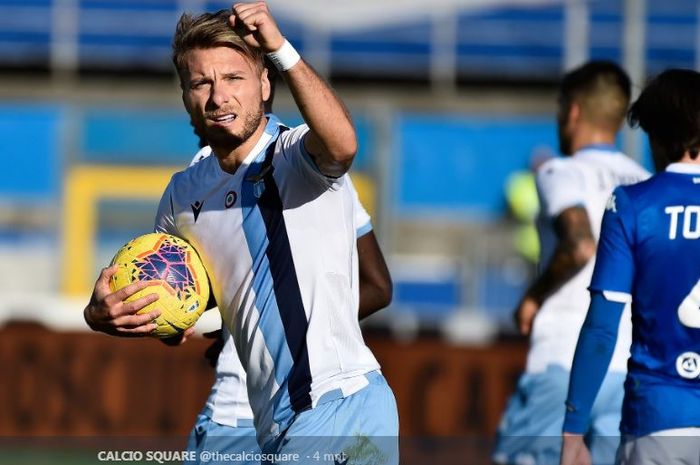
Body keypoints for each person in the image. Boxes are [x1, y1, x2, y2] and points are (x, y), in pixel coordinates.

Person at [83, 3, 399, 464]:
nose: (218, 97)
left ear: (264, 83)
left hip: (341, 406)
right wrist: (105, 314)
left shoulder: (295, 158)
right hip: (274, 425)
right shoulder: (181, 194)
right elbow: (176, 317)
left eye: (234, 78)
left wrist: (280, 47)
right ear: (186, 94)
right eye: (201, 83)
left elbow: (343, 144)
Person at [493, 61, 650, 465]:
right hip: (627, 368)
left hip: (563, 359)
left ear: (574, 111)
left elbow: (580, 244)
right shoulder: (644, 181)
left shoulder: (559, 170)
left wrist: (533, 296)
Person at [560, 69, 700, 465]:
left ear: (656, 134)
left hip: (658, 421)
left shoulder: (632, 205)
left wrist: (573, 429)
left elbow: (603, 327)